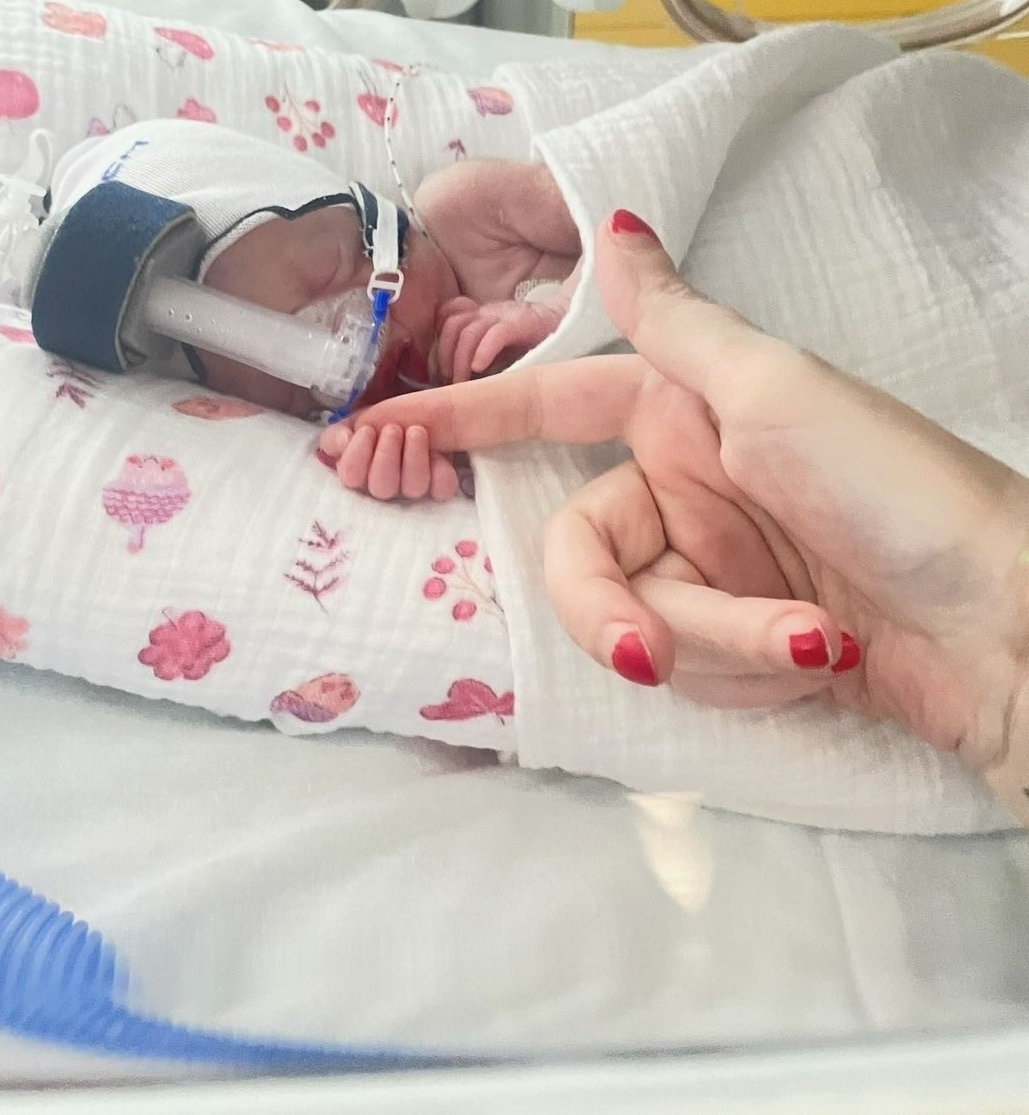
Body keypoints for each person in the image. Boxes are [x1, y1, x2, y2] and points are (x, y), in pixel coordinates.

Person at [328, 211, 1029, 828]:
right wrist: (993, 685)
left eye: (328, 265)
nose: (342, 328)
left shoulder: (454, 203)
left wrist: (559, 302)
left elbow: (619, 190)